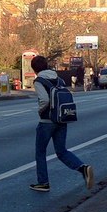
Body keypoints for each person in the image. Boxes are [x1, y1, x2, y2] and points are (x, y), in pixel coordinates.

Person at [30, 55, 94, 192]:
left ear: (34, 69)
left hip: (47, 121)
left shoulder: (39, 81)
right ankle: (83, 168)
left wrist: (40, 111)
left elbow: (44, 100)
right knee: (61, 151)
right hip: (62, 118)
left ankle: (43, 182)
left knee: (40, 152)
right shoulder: (57, 78)